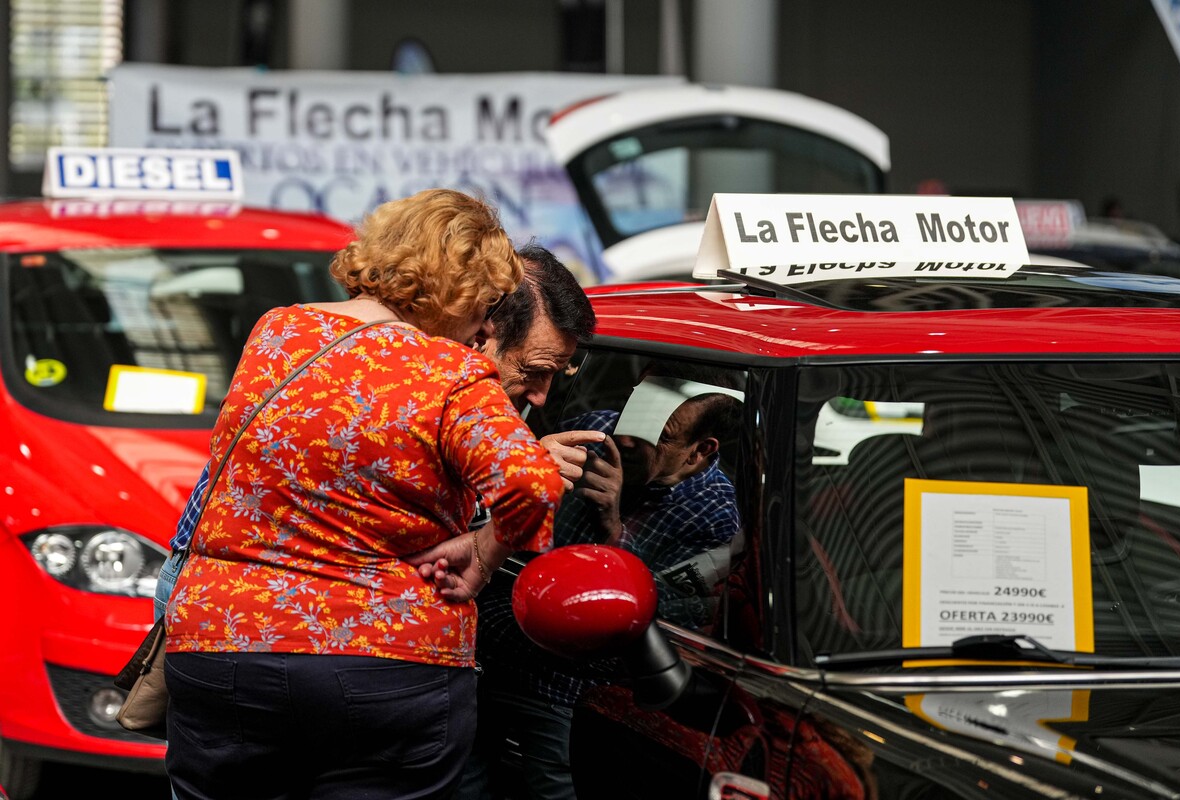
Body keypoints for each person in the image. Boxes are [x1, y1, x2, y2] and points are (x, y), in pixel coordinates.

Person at [160, 189, 565, 800]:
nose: (484, 325)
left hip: (225, 647)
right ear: (456, 290)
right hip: (383, 664)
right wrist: (483, 554)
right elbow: (531, 483)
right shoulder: (450, 372)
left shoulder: (277, 333)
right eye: (484, 304)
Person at [458, 365, 744, 800]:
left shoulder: (714, 514)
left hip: (570, 684)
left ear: (698, 451)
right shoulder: (594, 434)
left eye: (660, 434)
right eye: (633, 414)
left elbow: (663, 617)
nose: (626, 437)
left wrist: (614, 528)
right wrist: (529, 468)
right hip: (492, 651)